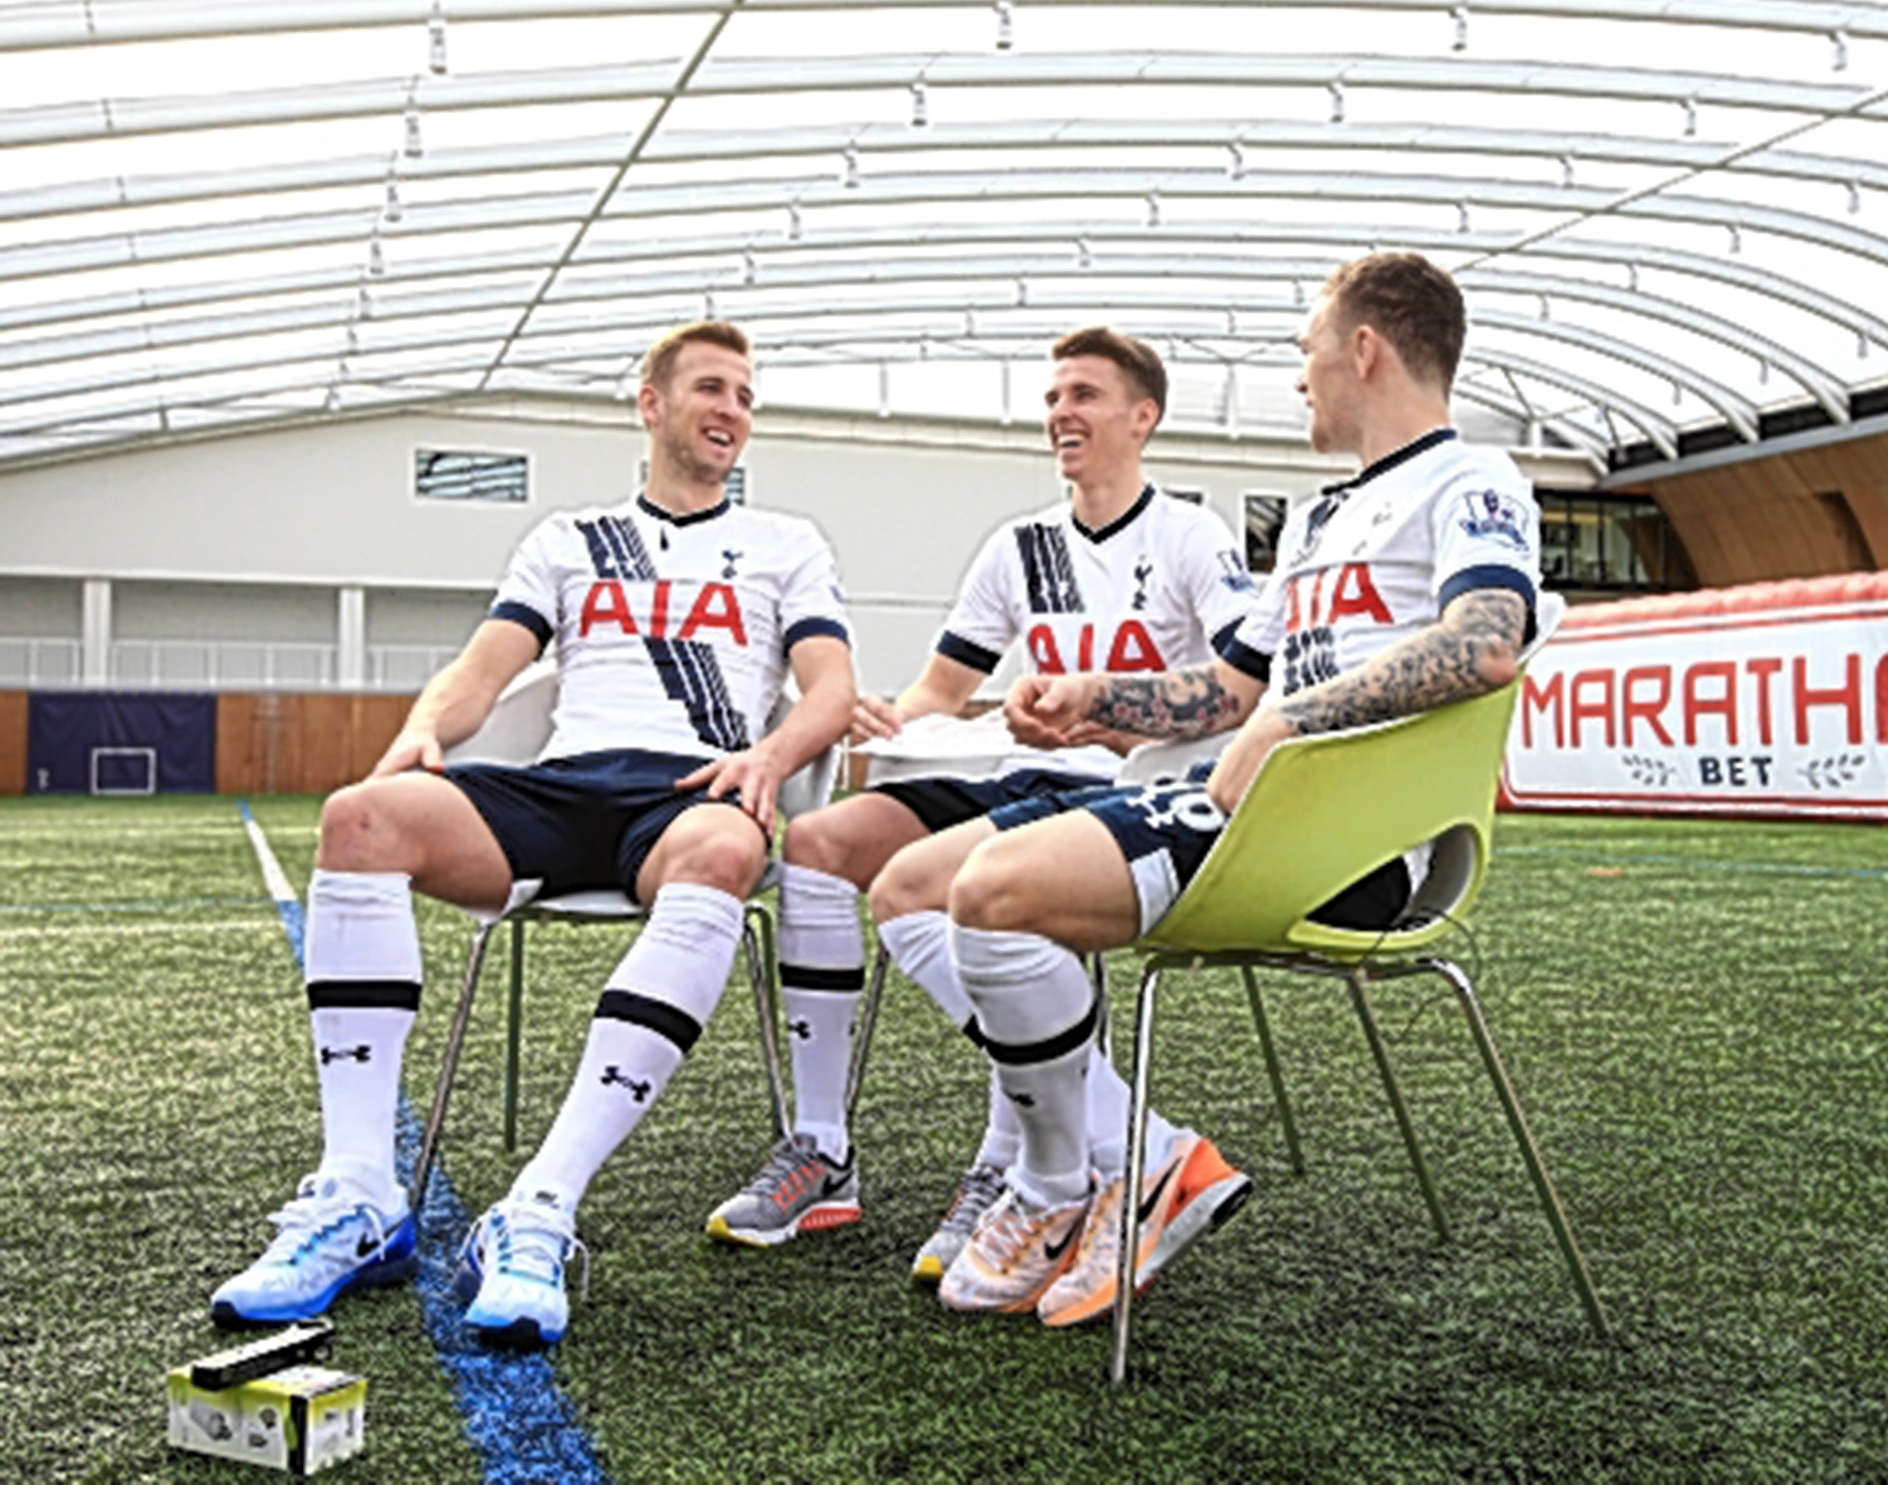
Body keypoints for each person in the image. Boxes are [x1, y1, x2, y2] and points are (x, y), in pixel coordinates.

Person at [871, 252, 1541, 1325]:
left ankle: (1068, 1180)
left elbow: (1484, 644)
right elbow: (1226, 688)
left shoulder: (1472, 482)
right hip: (1240, 810)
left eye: (1307, 352)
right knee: (909, 885)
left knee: (992, 892)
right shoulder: (1322, 521)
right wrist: (1100, 699)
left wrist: (1293, 715)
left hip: (1348, 846)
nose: (1299, 378)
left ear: (1363, 349)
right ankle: (1124, 1155)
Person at [209, 321, 856, 1349]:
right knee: (359, 817)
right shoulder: (568, 537)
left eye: (743, 394)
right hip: (558, 789)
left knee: (726, 852)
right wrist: (422, 731)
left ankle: (539, 1206)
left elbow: (833, 691)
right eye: (709, 389)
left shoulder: (787, 544)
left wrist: (768, 760)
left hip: (691, 789)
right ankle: (360, 1193)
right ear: (649, 404)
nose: (731, 409)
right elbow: (479, 674)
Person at [702, 328, 1257, 1292]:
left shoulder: (1191, 536)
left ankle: (1026, 1160)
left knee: (936, 889)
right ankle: (825, 1148)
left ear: (1143, 417)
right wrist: (888, 715)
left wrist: (1103, 703)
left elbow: (1237, 683)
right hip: (1010, 770)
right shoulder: (1019, 546)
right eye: (1053, 397)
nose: (1061, 414)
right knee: (826, 841)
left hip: (1117, 793)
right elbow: (941, 689)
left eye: (1084, 394)